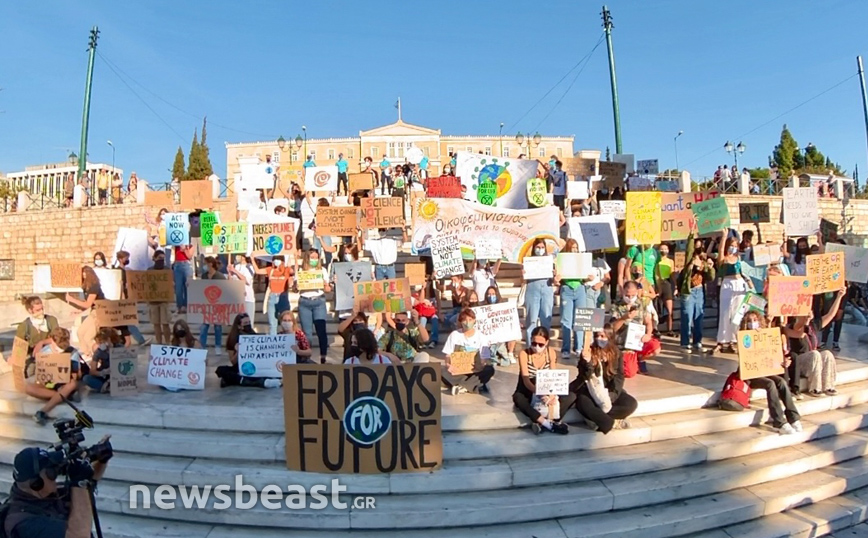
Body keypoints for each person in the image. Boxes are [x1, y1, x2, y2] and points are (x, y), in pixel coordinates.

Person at [5, 442, 112, 538]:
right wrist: (79, 482)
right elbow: (79, 536)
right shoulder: (25, 523)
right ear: (36, 484)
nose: (55, 476)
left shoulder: (43, 496)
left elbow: (88, 485)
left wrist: (101, 459)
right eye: (51, 472)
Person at [739, 311, 803, 434]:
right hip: (751, 373)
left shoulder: (765, 336)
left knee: (782, 382)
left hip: (765, 370)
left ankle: (794, 418)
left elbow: (772, 356)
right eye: (750, 321)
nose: (753, 323)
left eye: (755, 320)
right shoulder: (744, 337)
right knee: (770, 384)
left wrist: (782, 362)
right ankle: (779, 421)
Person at [574, 324, 638, 433]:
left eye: (603, 336)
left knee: (631, 404)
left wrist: (612, 395)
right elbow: (584, 376)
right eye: (597, 336)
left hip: (609, 389)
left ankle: (598, 419)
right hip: (590, 390)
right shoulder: (588, 352)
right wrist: (588, 362)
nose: (599, 339)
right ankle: (610, 422)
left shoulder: (616, 353)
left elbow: (619, 377)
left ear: (609, 337)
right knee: (583, 403)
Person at [782, 289, 845, 396]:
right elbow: (801, 333)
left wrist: (839, 296)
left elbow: (830, 315)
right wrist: (805, 321)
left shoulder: (813, 325)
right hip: (800, 362)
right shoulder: (791, 327)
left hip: (814, 361)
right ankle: (815, 388)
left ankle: (828, 385)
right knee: (815, 354)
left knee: (827, 354)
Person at [513, 327, 572, 434]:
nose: (536, 347)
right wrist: (539, 392)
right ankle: (547, 423)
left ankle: (544, 421)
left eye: (540, 344)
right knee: (518, 399)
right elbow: (526, 380)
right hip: (529, 388)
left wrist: (552, 395)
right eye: (534, 343)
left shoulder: (551, 353)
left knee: (571, 396)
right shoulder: (524, 354)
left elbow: (553, 376)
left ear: (547, 342)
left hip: (547, 387)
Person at [709, 231, 754, 354]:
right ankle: (722, 340)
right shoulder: (724, 258)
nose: (733, 248)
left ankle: (734, 340)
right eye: (731, 245)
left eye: (735, 245)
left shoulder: (739, 257)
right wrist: (724, 237)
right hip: (727, 284)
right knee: (725, 313)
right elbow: (720, 254)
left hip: (740, 285)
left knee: (737, 314)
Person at [28, 328, 83, 425]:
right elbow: (40, 374)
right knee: (28, 387)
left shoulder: (72, 352)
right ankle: (64, 396)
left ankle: (43, 411)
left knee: (73, 384)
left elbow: (77, 375)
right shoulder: (45, 351)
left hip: (65, 383)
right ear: (52, 341)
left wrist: (69, 369)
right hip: (50, 384)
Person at [215, 313, 282, 389]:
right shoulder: (232, 339)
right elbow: (233, 362)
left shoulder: (254, 336)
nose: (248, 325)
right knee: (221, 370)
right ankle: (257, 382)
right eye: (245, 323)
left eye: (249, 322)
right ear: (239, 326)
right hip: (241, 367)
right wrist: (238, 352)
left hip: (256, 365)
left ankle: (239, 380)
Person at [441, 309, 495, 395]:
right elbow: (448, 355)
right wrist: (448, 365)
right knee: (441, 372)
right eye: (464, 320)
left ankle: (462, 386)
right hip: (458, 371)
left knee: (489, 370)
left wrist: (482, 363)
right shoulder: (454, 335)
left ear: (474, 321)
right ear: (461, 322)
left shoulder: (481, 337)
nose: (467, 322)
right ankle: (473, 385)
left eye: (470, 320)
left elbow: (485, 358)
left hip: (476, 371)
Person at [611, 281, 660, 375]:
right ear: (623, 292)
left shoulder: (641, 304)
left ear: (637, 292)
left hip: (638, 340)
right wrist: (623, 318)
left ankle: (640, 359)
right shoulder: (616, 306)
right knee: (629, 372)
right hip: (623, 344)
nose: (630, 298)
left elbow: (648, 322)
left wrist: (648, 334)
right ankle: (625, 360)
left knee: (655, 347)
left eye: (632, 295)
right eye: (627, 295)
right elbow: (612, 328)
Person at [555, 238, 591, 359]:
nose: (574, 250)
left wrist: (589, 278)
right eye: (572, 248)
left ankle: (579, 347)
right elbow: (556, 277)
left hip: (580, 288)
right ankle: (565, 349)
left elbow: (584, 277)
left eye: (576, 248)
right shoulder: (561, 259)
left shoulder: (581, 260)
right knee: (566, 320)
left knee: (580, 319)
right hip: (567, 288)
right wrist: (557, 279)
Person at [679, 232, 715, 352]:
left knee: (698, 317)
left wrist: (709, 268)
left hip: (699, 291)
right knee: (687, 317)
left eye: (700, 247)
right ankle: (685, 342)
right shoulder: (690, 259)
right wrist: (691, 234)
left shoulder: (704, 260)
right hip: (689, 291)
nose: (699, 250)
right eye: (696, 247)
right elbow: (689, 250)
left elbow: (711, 277)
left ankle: (697, 342)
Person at [297, 249, 332, 363]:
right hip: (304, 302)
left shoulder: (322, 270)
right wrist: (295, 286)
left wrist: (326, 285)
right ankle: (307, 357)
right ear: (307, 258)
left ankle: (323, 357)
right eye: (312, 257)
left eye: (316, 257)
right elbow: (294, 288)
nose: (314, 260)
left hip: (319, 301)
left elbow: (328, 289)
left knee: (321, 330)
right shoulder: (301, 270)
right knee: (307, 333)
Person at [523, 239, 554, 345]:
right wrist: (523, 274)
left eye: (542, 247)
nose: (540, 249)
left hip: (547, 290)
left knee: (546, 319)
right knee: (532, 320)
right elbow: (522, 280)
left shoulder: (550, 261)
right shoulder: (528, 261)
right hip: (532, 290)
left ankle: (544, 345)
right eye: (538, 247)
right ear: (534, 248)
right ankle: (530, 346)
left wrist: (555, 275)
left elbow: (555, 280)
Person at [253, 255, 293, 335]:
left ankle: (287, 341)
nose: (276, 261)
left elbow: (293, 272)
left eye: (278, 259)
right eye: (274, 259)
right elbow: (257, 271)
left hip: (283, 297)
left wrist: (294, 258)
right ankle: (273, 343)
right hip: (272, 297)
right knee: (272, 324)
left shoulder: (287, 270)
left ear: (282, 261)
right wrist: (252, 258)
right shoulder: (270, 270)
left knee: (287, 324)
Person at [198, 256, 225, 354]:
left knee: (217, 326)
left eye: (205, 263)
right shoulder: (204, 276)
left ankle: (218, 346)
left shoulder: (220, 276)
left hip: (217, 306)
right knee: (204, 326)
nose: (204, 266)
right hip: (206, 305)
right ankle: (202, 346)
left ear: (210, 264)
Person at [81, 327, 121, 393]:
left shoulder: (120, 348)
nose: (99, 345)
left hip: (119, 375)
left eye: (101, 342)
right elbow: (92, 371)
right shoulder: (99, 352)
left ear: (108, 340)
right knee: (86, 378)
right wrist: (103, 373)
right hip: (104, 376)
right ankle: (106, 387)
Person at [146, 250, 172, 344]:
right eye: (160, 258)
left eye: (163, 258)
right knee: (156, 324)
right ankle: (159, 343)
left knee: (165, 323)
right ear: (155, 258)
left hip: (164, 301)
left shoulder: (167, 270)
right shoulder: (150, 271)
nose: (161, 260)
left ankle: (168, 342)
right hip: (153, 301)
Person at [656, 243, 677, 337]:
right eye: (662, 249)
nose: (664, 250)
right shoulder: (656, 260)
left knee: (669, 309)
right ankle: (655, 329)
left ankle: (670, 329)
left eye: (666, 249)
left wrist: (676, 286)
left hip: (667, 284)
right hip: (657, 283)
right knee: (656, 307)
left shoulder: (670, 261)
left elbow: (672, 274)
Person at [228, 254, 256, 321]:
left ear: (243, 257)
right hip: (237, 299)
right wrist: (229, 272)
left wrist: (235, 271)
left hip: (247, 299)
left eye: (239, 255)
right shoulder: (236, 266)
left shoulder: (249, 267)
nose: (236, 257)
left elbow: (247, 281)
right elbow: (230, 281)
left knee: (248, 322)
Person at [412, 280, 440, 348]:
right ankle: (421, 340)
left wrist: (439, 312)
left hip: (432, 313)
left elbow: (438, 304)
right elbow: (421, 302)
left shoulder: (435, 292)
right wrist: (423, 289)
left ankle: (434, 340)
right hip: (423, 314)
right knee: (423, 319)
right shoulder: (418, 293)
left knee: (435, 319)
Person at [172, 243, 194, 313]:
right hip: (177, 265)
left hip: (186, 264)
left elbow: (190, 257)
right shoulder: (176, 244)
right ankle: (179, 306)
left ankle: (186, 306)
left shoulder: (190, 245)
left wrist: (185, 249)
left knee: (187, 287)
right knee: (178, 287)